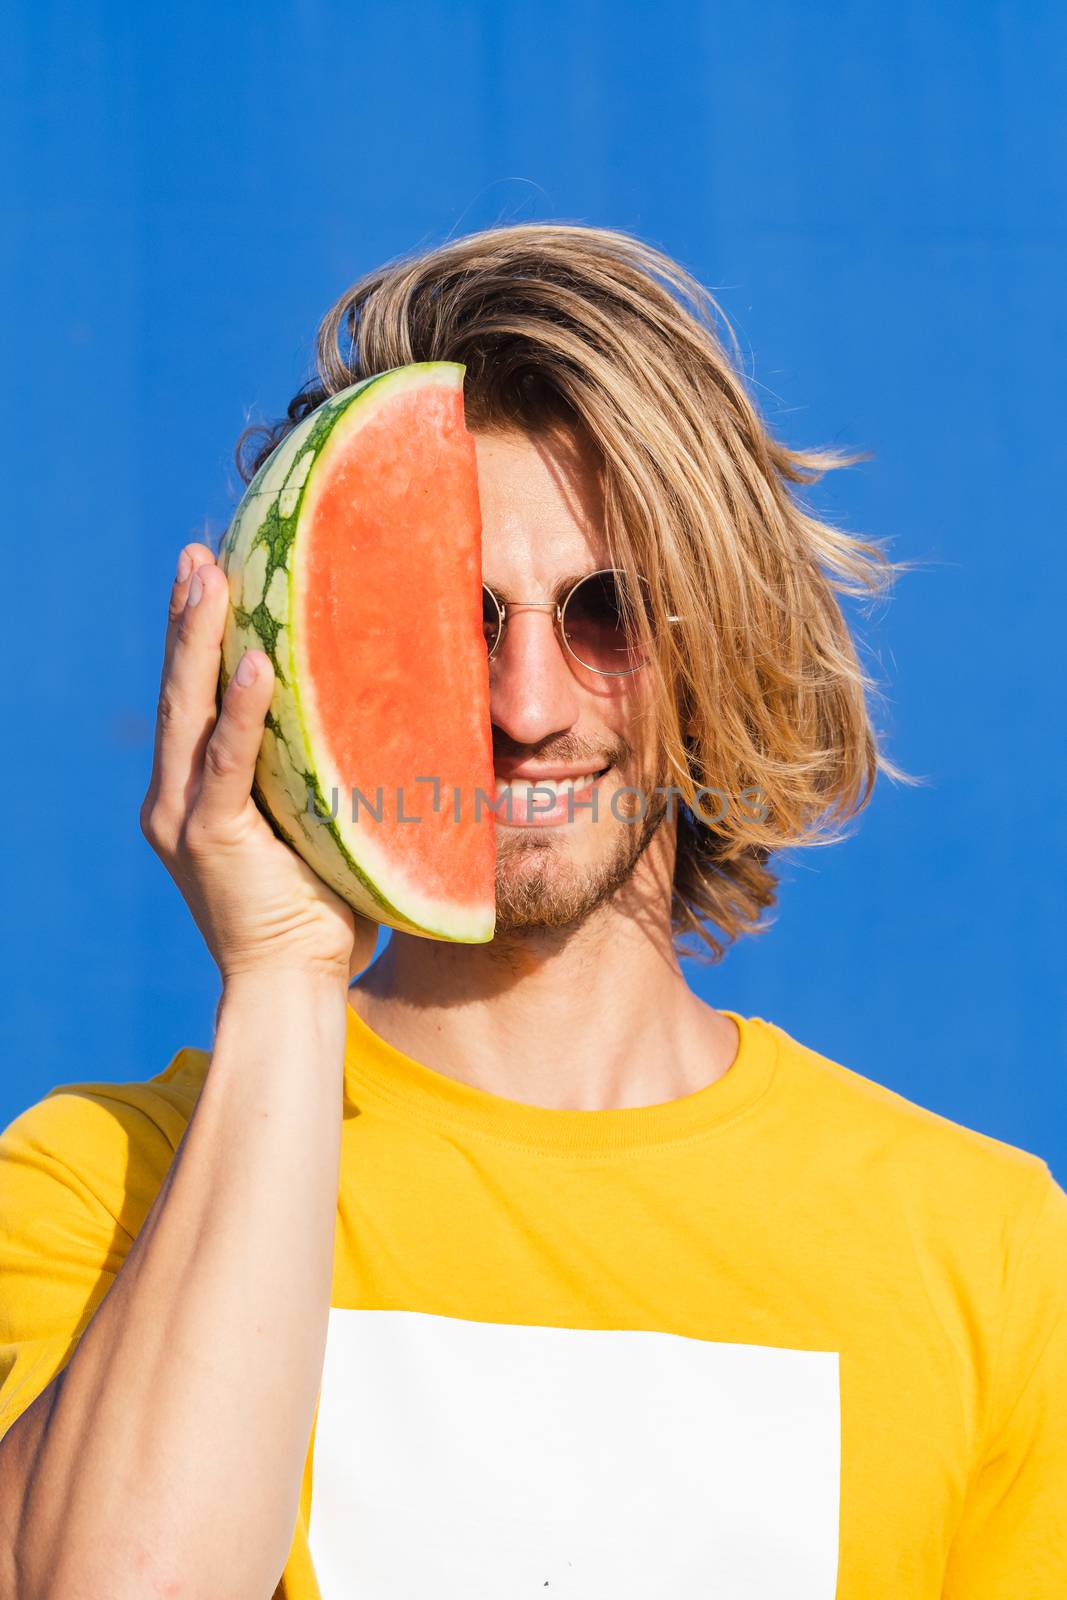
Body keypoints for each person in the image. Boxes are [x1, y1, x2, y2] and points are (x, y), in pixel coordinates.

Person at [0, 223, 1063, 1600]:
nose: (527, 708)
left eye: (607, 612)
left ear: (722, 636)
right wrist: (280, 974)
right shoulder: (109, 1189)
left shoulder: (986, 1249)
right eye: (455, 616)